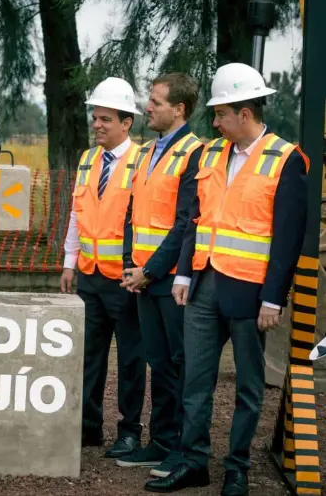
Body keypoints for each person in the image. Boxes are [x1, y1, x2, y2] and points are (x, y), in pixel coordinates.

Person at [145, 63, 309, 496]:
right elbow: (194, 221)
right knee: (194, 381)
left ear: (245, 113)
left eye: (221, 114)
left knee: (249, 389)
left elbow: (288, 238)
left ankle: (237, 468)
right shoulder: (210, 154)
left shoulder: (286, 159)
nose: (214, 122)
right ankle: (193, 461)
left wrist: (274, 299)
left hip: (252, 293)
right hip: (203, 284)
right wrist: (183, 271)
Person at [116, 73, 204, 477]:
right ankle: (163, 443)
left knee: (179, 365)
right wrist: (130, 267)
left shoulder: (194, 153)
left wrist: (149, 272)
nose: (147, 107)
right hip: (145, 278)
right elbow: (135, 214)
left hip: (169, 281)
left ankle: (183, 451)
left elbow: (186, 223)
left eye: (154, 101)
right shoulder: (149, 150)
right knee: (159, 363)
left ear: (179, 109)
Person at [59, 77, 147, 460]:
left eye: (106, 119)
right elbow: (78, 214)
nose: (97, 125)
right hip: (91, 277)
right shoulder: (87, 159)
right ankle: (88, 427)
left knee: (130, 359)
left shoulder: (143, 161)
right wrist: (69, 261)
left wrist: (142, 270)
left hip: (127, 281)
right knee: (88, 356)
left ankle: (129, 432)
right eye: (95, 118)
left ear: (127, 123)